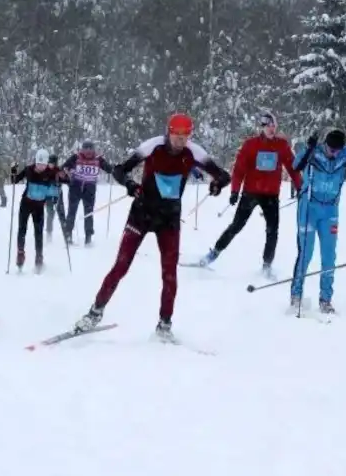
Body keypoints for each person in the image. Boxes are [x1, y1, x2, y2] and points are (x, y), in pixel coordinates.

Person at [72, 113, 230, 340]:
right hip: (141, 214)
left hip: (169, 220)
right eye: (176, 135)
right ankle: (94, 313)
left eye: (185, 136)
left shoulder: (194, 152)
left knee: (170, 274)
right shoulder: (152, 147)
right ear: (169, 132)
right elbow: (119, 170)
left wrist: (217, 185)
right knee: (121, 266)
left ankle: (164, 325)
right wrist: (130, 185)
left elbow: (224, 176)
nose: (180, 141)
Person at [197, 112, 301, 274]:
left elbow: (293, 169)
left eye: (274, 126)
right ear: (262, 127)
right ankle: (213, 253)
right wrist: (235, 191)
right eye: (268, 126)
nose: (271, 129)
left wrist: (300, 187)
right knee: (236, 226)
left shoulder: (282, 145)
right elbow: (239, 170)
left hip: (271, 196)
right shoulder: (251, 145)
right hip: (251, 193)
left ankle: (267, 266)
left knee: (272, 231)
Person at [289, 129, 346, 314]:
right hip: (308, 208)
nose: (333, 153)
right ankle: (296, 294)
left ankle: (325, 299)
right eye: (330, 149)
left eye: (336, 150)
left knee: (329, 257)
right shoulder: (316, 150)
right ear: (325, 144)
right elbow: (295, 166)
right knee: (306, 253)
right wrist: (309, 148)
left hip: (330, 211)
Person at [11, 149, 60, 272]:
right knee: (22, 229)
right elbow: (14, 180)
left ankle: (39, 257)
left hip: (39, 207)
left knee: (38, 233)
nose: (41, 167)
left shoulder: (50, 173)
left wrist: (55, 194)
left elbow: (55, 187)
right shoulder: (28, 170)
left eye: (43, 165)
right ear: (35, 162)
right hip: (26, 204)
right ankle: (20, 253)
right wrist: (13, 171)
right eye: (39, 164)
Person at [61, 140, 113, 246]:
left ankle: (88, 237)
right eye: (86, 148)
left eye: (90, 148)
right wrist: (68, 178)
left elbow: (109, 169)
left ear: (94, 149)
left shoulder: (98, 159)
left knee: (88, 213)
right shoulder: (76, 157)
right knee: (72, 212)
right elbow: (64, 168)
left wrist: (115, 170)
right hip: (75, 187)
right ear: (82, 149)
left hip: (89, 189)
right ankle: (68, 235)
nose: (88, 151)